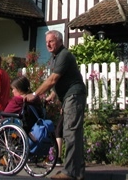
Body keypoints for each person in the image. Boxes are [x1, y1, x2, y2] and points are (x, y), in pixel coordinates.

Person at [24, 30, 86, 180]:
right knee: (73, 133)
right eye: (46, 42)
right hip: (69, 96)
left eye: (51, 41)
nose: (48, 44)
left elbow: (53, 79)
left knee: (70, 132)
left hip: (74, 95)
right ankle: (77, 172)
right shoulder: (56, 57)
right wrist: (53, 95)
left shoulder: (64, 55)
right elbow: (61, 82)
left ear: (59, 41)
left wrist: (35, 94)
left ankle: (69, 172)